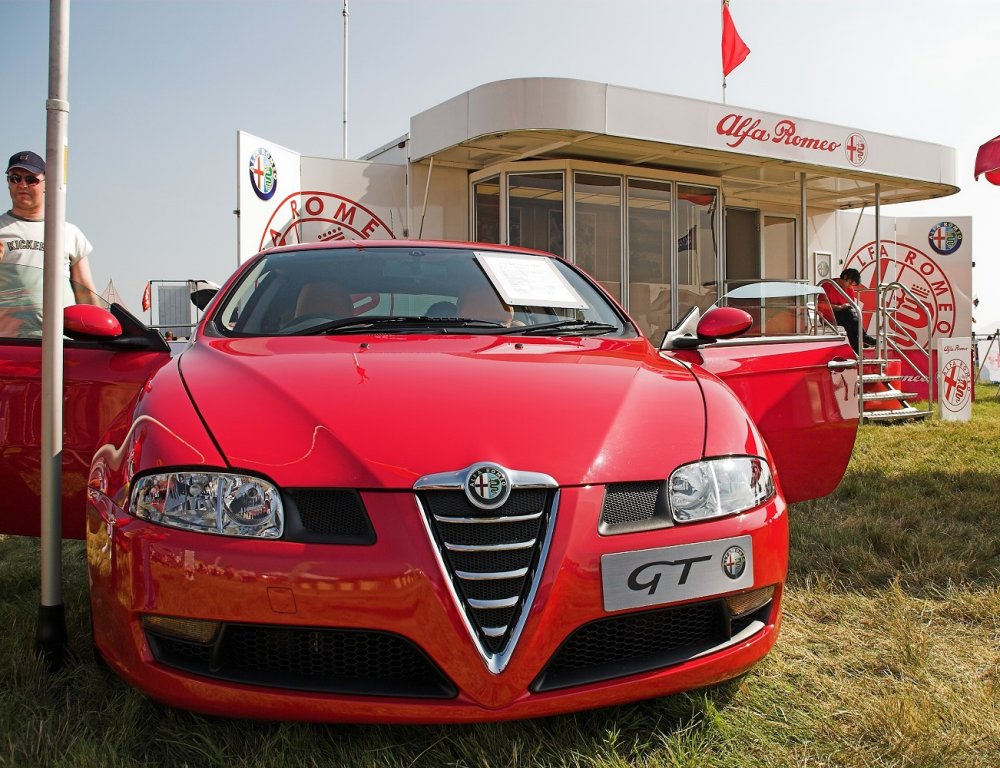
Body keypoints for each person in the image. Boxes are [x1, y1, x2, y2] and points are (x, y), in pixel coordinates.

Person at [0, 150, 98, 336]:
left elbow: (85, 293)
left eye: (31, 179)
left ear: (46, 184)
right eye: (15, 178)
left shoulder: (70, 233)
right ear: (8, 183)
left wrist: (101, 340)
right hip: (9, 346)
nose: (22, 185)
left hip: (62, 346)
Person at [821, 268, 875, 350]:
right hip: (828, 316)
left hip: (845, 316)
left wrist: (844, 307)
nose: (849, 286)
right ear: (845, 277)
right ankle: (864, 337)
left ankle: (857, 352)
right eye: (849, 283)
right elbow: (821, 305)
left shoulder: (849, 289)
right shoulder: (827, 285)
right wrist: (839, 307)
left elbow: (851, 304)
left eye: (852, 285)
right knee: (849, 316)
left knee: (850, 324)